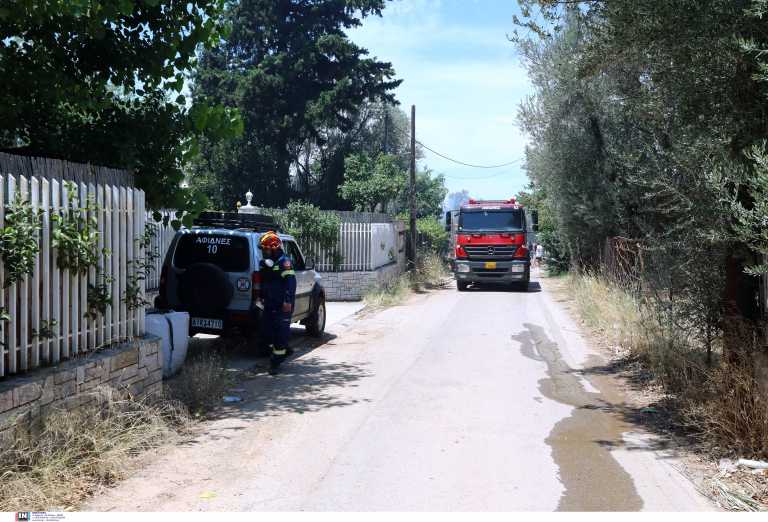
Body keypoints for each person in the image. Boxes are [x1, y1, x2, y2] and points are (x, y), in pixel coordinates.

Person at [257, 231, 297, 375]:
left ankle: (275, 363)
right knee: (267, 332)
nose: (264, 252)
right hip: (270, 304)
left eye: (265, 249)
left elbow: (290, 283)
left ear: (273, 247)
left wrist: (287, 301)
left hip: (282, 305)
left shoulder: (284, 262)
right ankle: (286, 349)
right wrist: (260, 297)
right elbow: (265, 282)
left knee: (280, 334)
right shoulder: (269, 263)